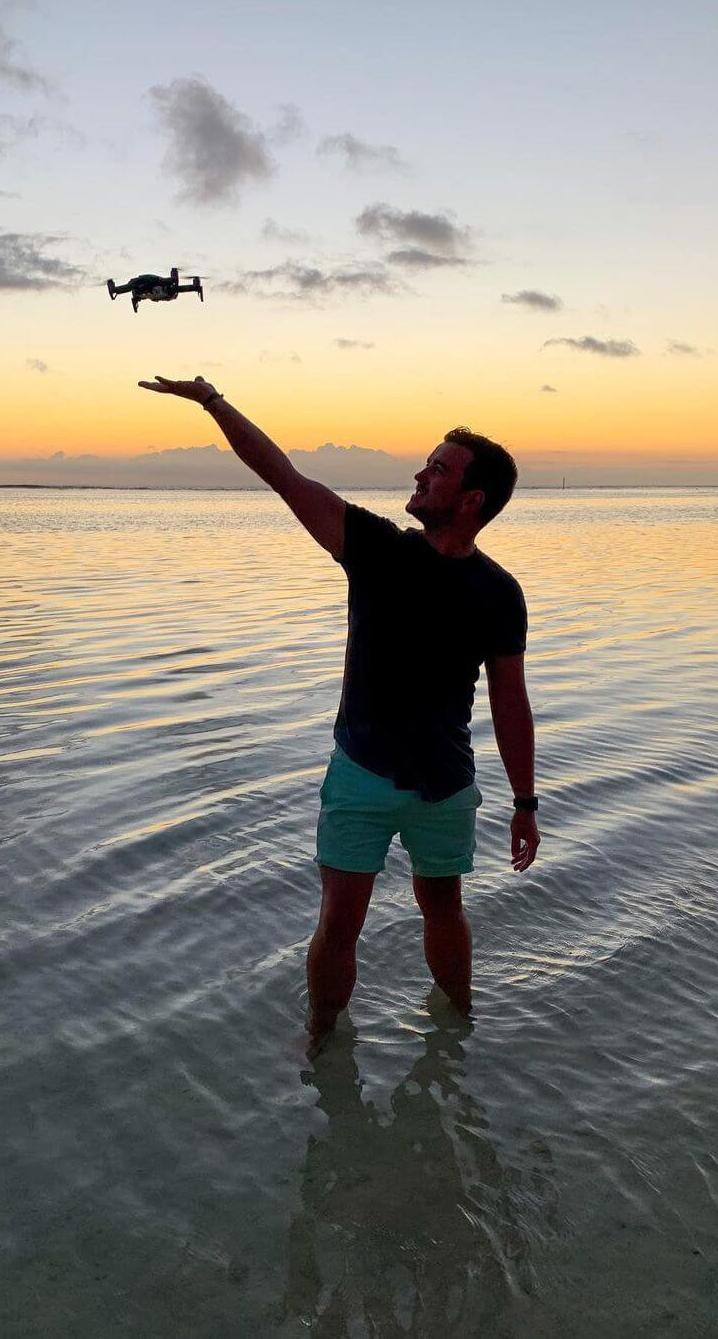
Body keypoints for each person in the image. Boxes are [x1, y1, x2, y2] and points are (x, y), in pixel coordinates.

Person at [138, 375, 541, 1051]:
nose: (420, 474)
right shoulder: (377, 549)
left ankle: (459, 1031)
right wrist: (212, 401)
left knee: (444, 907)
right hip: (362, 775)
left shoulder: (499, 592)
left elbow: (511, 702)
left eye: (438, 470)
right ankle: (322, 1042)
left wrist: (525, 802)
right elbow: (283, 476)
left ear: (471, 500)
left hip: (445, 785)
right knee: (339, 919)